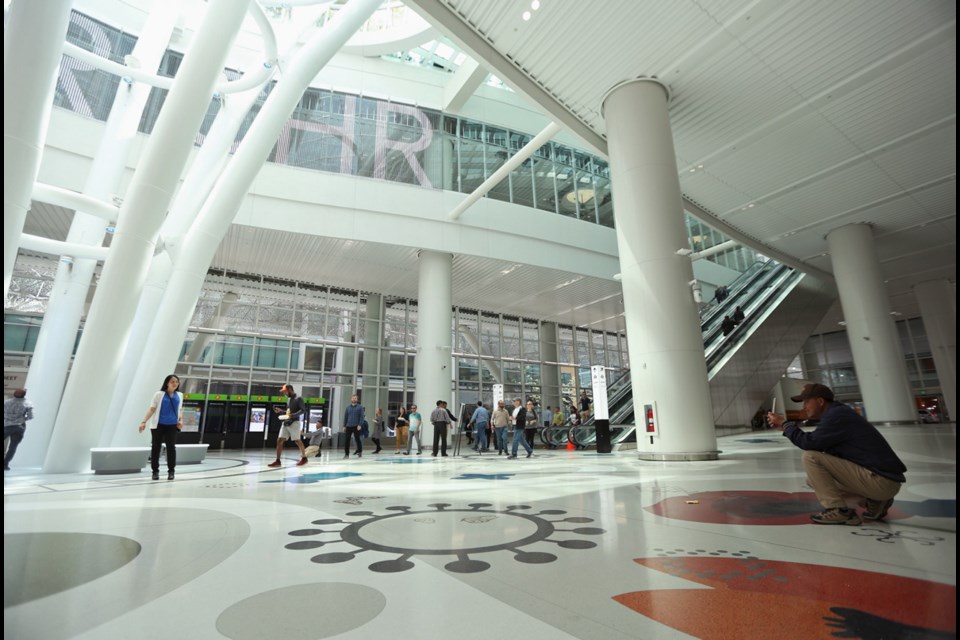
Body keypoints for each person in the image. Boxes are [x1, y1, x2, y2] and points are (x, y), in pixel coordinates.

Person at [766, 383, 907, 525]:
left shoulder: (837, 415)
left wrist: (786, 424)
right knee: (813, 480)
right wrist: (785, 428)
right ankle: (876, 502)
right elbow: (818, 442)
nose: (804, 406)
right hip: (884, 480)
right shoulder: (838, 413)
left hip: (880, 481)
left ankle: (838, 510)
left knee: (811, 457)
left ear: (820, 401)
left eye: (807, 401)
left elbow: (809, 443)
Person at [138, 374, 184, 481]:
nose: (175, 384)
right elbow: (152, 409)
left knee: (171, 448)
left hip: (172, 425)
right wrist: (143, 421)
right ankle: (155, 472)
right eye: (172, 381)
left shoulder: (180, 395)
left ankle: (171, 471)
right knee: (156, 448)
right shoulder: (159, 394)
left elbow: (180, 409)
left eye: (176, 382)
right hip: (158, 425)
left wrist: (181, 420)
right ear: (167, 383)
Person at [268, 384, 308, 468]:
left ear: (290, 389)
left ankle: (304, 458)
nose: (284, 393)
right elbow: (288, 412)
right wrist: (281, 411)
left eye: (285, 391)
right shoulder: (289, 399)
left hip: (294, 422)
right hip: (286, 421)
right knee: (279, 440)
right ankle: (278, 460)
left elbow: (303, 410)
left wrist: (293, 415)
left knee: (297, 440)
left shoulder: (299, 398)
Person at [4, 388, 34, 471]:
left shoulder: (6, 402)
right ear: (24, 395)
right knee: (13, 447)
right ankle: (5, 464)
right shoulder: (28, 403)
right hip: (19, 427)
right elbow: (31, 416)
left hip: (6, 425)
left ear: (14, 394)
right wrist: (22, 419)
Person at [343, 394, 365, 459]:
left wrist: (360, 425)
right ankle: (346, 454)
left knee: (357, 439)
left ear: (357, 399)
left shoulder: (360, 407)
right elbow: (345, 417)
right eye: (353, 398)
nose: (354, 399)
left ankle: (360, 452)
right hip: (348, 426)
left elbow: (362, 417)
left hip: (356, 426)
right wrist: (344, 426)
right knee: (347, 440)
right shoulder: (348, 408)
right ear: (351, 399)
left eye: (355, 398)